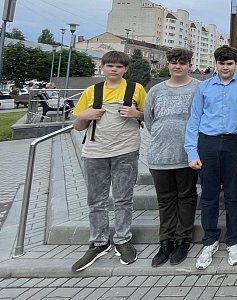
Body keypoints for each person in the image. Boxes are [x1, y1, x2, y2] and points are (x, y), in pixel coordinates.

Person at [71, 51, 147, 272]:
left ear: (125, 69)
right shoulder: (91, 91)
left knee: (123, 199)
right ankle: (99, 242)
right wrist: (84, 116)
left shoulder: (136, 89)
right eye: (110, 65)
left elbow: (148, 116)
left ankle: (123, 240)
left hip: (126, 151)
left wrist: (136, 113)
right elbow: (78, 126)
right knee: (96, 200)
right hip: (95, 152)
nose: (114, 69)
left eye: (119, 66)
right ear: (102, 67)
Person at [185, 46, 237, 270]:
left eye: (230, 63)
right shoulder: (204, 87)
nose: (225, 67)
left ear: (236, 64)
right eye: (222, 63)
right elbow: (194, 119)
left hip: (234, 143)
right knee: (209, 194)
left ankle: (233, 240)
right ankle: (210, 240)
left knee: (233, 194)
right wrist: (192, 151)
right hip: (208, 142)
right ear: (216, 64)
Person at [144, 48, 200, 267]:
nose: (178, 66)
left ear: (189, 65)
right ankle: (166, 241)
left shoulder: (199, 88)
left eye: (183, 63)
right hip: (160, 155)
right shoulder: (156, 91)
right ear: (168, 64)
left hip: (187, 155)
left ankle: (182, 240)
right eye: (174, 62)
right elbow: (150, 121)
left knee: (187, 197)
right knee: (165, 200)